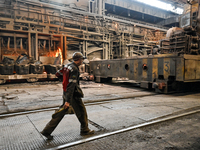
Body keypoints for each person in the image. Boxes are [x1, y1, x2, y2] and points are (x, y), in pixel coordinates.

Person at [41, 52, 94, 140]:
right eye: (82, 59)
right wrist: (68, 101)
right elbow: (71, 85)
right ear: (79, 60)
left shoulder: (67, 66)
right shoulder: (74, 69)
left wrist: (64, 81)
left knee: (61, 112)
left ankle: (47, 131)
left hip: (66, 92)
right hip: (73, 94)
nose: (82, 61)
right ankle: (85, 130)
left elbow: (58, 74)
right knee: (81, 112)